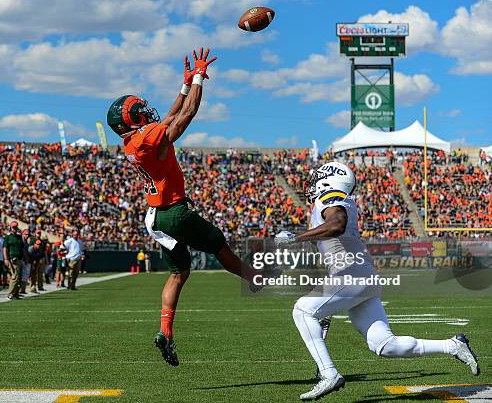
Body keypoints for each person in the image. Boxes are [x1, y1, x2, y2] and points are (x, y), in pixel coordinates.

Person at [106, 47, 260, 367]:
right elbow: (185, 116)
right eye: (140, 111)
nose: (147, 112)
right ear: (132, 119)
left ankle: (166, 332)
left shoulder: (133, 142)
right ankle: (253, 278)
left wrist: (185, 86)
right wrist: (201, 78)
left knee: (179, 272)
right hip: (174, 211)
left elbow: (169, 119)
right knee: (218, 243)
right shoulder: (148, 138)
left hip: (155, 216)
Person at [275, 161, 480, 400]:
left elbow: (337, 224)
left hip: (351, 274)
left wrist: (295, 239)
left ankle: (328, 374)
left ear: (330, 179)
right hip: (359, 275)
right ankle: (453, 345)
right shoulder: (336, 200)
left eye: (317, 178)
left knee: (302, 311)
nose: (311, 184)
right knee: (384, 344)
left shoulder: (331, 196)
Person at [3, 221, 25, 300]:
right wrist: (6, 259)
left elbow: (22, 248)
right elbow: (5, 248)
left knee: (19, 277)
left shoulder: (19, 237)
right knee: (15, 277)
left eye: (16, 227)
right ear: (10, 228)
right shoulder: (8, 237)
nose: (15, 229)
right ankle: (10, 294)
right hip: (12, 259)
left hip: (19, 258)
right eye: (13, 227)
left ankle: (16, 294)